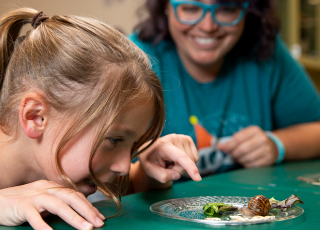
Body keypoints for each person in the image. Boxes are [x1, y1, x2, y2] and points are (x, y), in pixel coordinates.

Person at [0, 8, 201, 230]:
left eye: (133, 144)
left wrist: (149, 172)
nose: (125, 166)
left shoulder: (63, 168)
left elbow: (124, 184)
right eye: (114, 140)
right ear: (35, 117)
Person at [129, 0, 320, 178]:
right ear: (166, 6)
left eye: (227, 9)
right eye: (190, 8)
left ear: (249, 10)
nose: (208, 26)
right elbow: (105, 172)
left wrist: (277, 145)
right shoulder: (131, 61)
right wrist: (145, 174)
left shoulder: (265, 51)